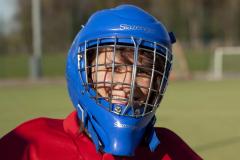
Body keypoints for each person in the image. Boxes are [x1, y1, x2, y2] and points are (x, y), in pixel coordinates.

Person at [0, 4, 202, 160]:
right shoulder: (31, 144)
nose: (127, 84)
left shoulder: (172, 151)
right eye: (113, 68)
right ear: (85, 73)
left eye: (142, 71)